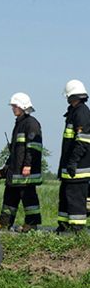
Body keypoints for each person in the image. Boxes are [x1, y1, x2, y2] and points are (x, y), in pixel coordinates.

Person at [0, 93, 43, 232]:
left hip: (25, 171)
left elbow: (33, 147)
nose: (13, 108)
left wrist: (28, 165)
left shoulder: (31, 123)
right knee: (10, 196)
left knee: (28, 198)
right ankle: (4, 223)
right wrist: (4, 170)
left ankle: (31, 225)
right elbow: (15, 152)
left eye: (15, 106)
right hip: (16, 171)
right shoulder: (19, 124)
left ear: (22, 106)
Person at [57, 79, 90, 233]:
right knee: (65, 197)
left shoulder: (82, 113)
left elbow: (83, 142)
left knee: (75, 198)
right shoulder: (73, 112)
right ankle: (64, 226)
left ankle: (77, 229)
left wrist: (73, 162)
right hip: (69, 168)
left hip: (78, 167)